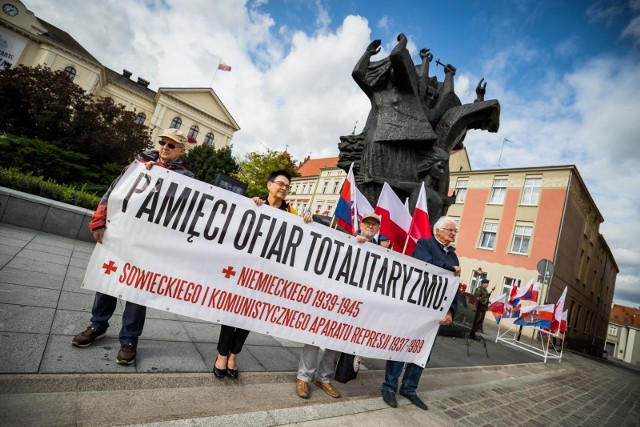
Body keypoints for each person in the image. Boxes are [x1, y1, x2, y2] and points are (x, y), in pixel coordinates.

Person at [71, 128, 194, 365]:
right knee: (107, 279)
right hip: (122, 233)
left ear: (181, 151)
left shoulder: (187, 179)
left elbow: (187, 211)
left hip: (150, 244)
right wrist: (99, 219)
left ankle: (129, 340)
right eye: (163, 143)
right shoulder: (139, 164)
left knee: (137, 290)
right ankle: (97, 325)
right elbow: (114, 191)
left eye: (171, 145)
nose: (165, 148)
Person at [214, 170, 311, 379]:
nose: (284, 188)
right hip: (245, 269)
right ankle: (222, 354)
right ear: (269, 185)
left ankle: (233, 354)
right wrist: (250, 206)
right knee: (232, 310)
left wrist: (306, 222)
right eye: (280, 183)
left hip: (267, 274)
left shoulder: (292, 214)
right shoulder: (256, 204)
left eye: (287, 186)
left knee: (249, 315)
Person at [296, 212, 381, 399]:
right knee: (313, 336)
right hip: (330, 297)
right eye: (368, 223)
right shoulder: (345, 237)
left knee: (337, 341)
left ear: (378, 230)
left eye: (375, 225)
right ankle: (304, 377)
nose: (371, 227)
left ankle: (324, 378)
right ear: (360, 223)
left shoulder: (382, 251)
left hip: (352, 303)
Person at [381, 216, 460, 410]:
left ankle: (409, 388)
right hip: (415, 309)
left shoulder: (454, 255)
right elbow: (426, 263)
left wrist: (451, 310)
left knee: (422, 352)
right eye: (450, 230)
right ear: (438, 231)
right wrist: (451, 268)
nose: (453, 233)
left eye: (454, 231)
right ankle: (389, 387)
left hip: (434, 315)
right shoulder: (425, 244)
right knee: (402, 346)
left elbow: (454, 286)